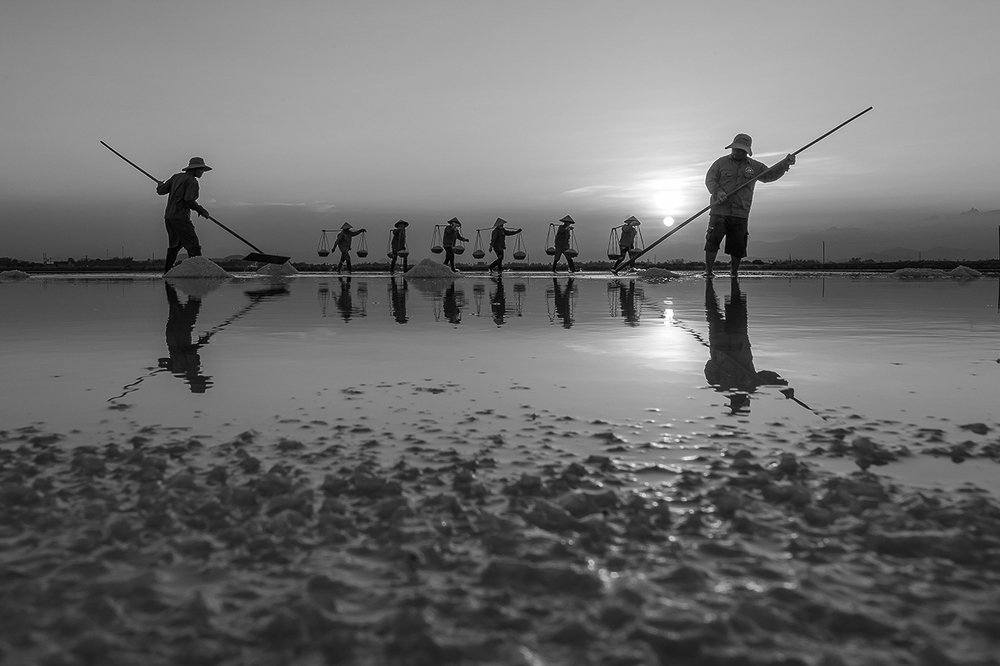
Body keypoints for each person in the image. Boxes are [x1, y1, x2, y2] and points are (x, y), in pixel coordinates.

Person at [705, 133, 795, 278]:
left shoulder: (755, 167)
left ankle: (734, 273)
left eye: (741, 150)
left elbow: (770, 175)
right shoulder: (720, 163)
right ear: (732, 148)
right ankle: (708, 272)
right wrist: (718, 191)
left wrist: (785, 164)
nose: (737, 152)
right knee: (712, 241)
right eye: (735, 149)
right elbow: (710, 179)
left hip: (740, 213)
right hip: (719, 211)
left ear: (747, 151)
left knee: (738, 247)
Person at [704, 277, 786, 414]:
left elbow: (708, 369)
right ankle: (714, 282)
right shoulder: (753, 386)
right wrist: (784, 386)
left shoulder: (720, 387)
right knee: (737, 305)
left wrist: (717, 360)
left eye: (735, 403)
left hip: (719, 344)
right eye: (737, 403)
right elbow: (769, 377)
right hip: (738, 338)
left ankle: (712, 284)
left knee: (712, 310)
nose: (736, 400)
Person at [156, 157, 212, 275]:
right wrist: (202, 210)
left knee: (175, 245)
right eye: (201, 170)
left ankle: (167, 273)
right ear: (195, 170)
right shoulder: (192, 181)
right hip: (181, 218)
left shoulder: (176, 177)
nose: (202, 172)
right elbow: (189, 200)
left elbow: (161, 191)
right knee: (193, 245)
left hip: (169, 217)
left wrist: (160, 185)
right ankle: (199, 272)